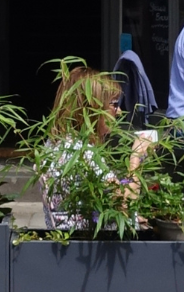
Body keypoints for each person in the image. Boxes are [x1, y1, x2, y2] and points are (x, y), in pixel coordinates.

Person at [40, 66, 152, 231]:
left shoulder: (55, 143)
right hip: (90, 242)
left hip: (67, 239)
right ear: (91, 108)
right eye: (114, 104)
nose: (119, 111)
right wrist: (137, 157)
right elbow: (126, 203)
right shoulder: (82, 153)